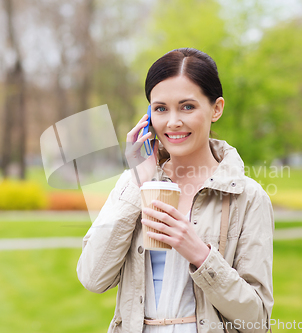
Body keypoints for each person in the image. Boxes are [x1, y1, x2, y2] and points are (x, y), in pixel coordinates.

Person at [77, 48, 274, 333]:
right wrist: (139, 183)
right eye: (161, 108)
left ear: (216, 108)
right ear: (148, 116)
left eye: (187, 106)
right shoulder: (133, 186)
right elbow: (93, 278)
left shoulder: (248, 197)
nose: (172, 122)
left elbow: (256, 321)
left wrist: (201, 256)